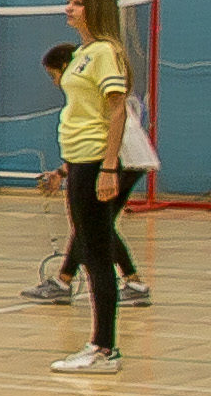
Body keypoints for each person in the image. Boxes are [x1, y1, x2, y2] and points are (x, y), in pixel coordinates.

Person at [26, 46, 155, 309]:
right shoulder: (88, 90)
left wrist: (92, 169)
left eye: (54, 76)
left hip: (124, 160)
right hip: (125, 159)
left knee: (93, 225)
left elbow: (103, 136)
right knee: (95, 225)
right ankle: (125, 282)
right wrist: (63, 171)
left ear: (66, 67)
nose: (55, 83)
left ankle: (68, 283)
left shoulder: (91, 87)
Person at [50, 0, 136, 371]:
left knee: (97, 254)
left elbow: (116, 111)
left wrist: (108, 166)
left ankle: (104, 348)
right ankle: (101, 345)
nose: (69, 9)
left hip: (95, 159)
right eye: (69, 2)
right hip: (78, 159)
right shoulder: (84, 52)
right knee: (89, 248)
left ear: (96, 9)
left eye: (77, 4)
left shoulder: (104, 53)